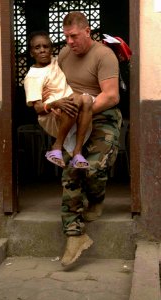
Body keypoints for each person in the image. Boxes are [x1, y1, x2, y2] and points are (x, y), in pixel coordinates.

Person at [55, 11, 122, 266]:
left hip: (102, 115)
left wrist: (84, 110)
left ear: (87, 31)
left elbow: (111, 96)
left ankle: (96, 197)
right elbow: (57, 85)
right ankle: (75, 235)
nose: (70, 42)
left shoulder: (104, 55)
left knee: (93, 168)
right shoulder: (63, 55)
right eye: (66, 37)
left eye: (74, 36)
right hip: (72, 117)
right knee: (71, 170)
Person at [24, 30, 95, 169]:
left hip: (70, 104)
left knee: (86, 100)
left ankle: (77, 152)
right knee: (74, 100)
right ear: (31, 52)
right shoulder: (32, 77)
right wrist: (56, 103)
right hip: (51, 114)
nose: (42, 50)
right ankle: (57, 146)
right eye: (37, 48)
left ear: (52, 49)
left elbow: (75, 47)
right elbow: (38, 109)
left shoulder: (57, 62)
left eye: (46, 46)